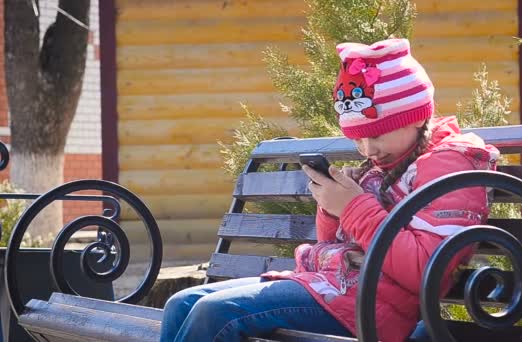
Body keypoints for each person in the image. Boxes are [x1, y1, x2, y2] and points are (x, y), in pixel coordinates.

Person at [160, 38, 499, 342]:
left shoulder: (450, 164)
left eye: (377, 135)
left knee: (215, 312)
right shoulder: (390, 163)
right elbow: (331, 243)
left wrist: (353, 206)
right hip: (337, 287)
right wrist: (332, 205)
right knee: (182, 303)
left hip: (376, 307)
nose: (367, 149)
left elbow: (427, 270)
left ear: (415, 117)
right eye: (358, 139)